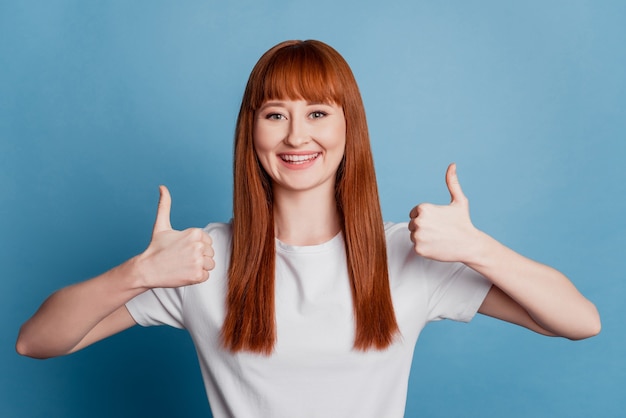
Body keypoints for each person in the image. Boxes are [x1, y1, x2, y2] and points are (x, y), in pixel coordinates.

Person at [16, 40, 600, 417]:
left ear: (350, 129)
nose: (297, 137)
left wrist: (479, 249)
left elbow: (579, 322)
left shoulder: (406, 255)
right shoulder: (201, 260)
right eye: (276, 115)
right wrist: (138, 273)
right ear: (253, 132)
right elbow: (36, 341)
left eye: (318, 113)